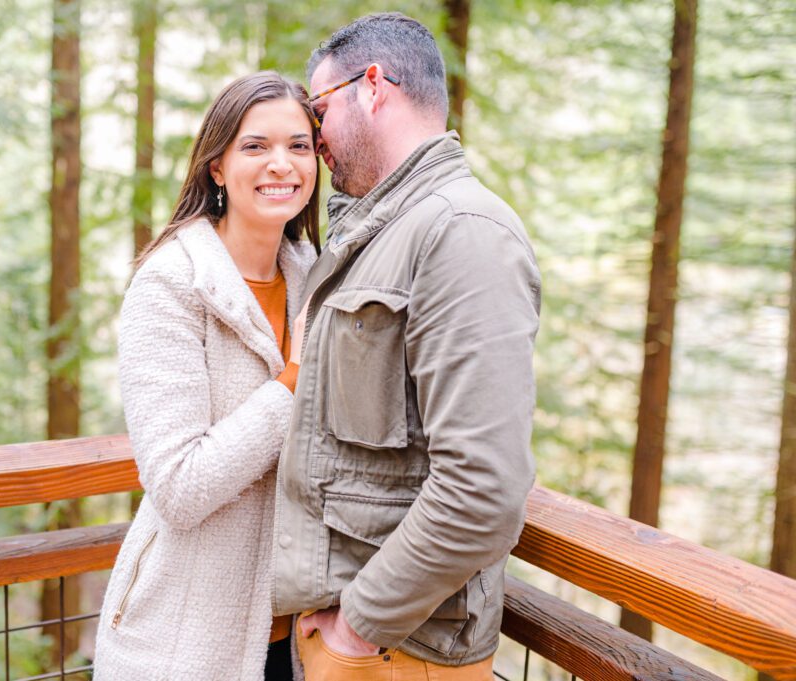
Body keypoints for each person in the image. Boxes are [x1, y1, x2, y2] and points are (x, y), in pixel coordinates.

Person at [273, 13, 542, 681]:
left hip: (398, 652)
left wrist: (358, 625)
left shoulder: (464, 232)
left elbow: (483, 487)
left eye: (318, 110)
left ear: (373, 87)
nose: (314, 136)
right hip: (352, 641)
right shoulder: (384, 230)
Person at [93, 71, 320, 681]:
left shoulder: (316, 278)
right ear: (216, 167)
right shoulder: (168, 285)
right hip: (184, 642)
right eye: (256, 146)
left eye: (299, 146)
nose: (282, 164)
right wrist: (293, 379)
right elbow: (179, 485)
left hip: (301, 638)